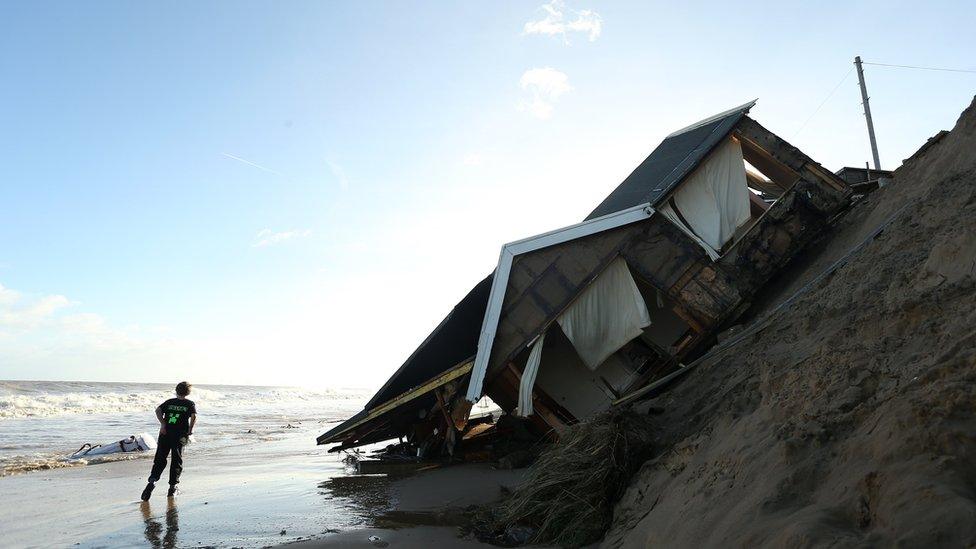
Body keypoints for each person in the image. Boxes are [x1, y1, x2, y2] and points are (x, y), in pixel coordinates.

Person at [141, 381, 197, 500]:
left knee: (160, 458)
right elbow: (194, 416)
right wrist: (191, 429)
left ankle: (152, 482)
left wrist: (163, 424)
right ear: (188, 392)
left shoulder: (169, 402)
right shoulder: (189, 404)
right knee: (177, 460)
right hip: (180, 435)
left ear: (176, 390)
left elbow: (158, 410)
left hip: (165, 433)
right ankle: (173, 487)